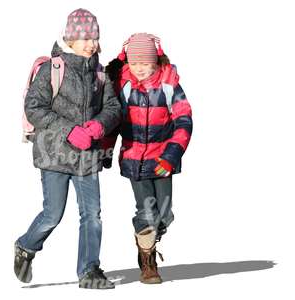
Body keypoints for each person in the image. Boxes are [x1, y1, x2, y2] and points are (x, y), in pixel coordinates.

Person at [14, 8, 121, 289]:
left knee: (92, 214)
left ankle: (89, 270)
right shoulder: (53, 69)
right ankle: (26, 246)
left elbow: (113, 108)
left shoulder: (99, 72)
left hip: (87, 157)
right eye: (86, 38)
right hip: (54, 156)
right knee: (52, 214)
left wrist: (98, 127)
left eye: (95, 37)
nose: (92, 44)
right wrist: (70, 130)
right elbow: (34, 107)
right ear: (70, 40)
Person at [106, 33, 193, 284]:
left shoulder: (168, 83)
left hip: (162, 160)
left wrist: (171, 156)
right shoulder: (122, 84)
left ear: (155, 61)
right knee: (147, 212)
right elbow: (113, 122)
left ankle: (151, 234)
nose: (139, 68)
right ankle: (148, 261)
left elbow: (184, 121)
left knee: (164, 214)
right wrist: (106, 151)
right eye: (135, 63)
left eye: (145, 63)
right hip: (134, 160)